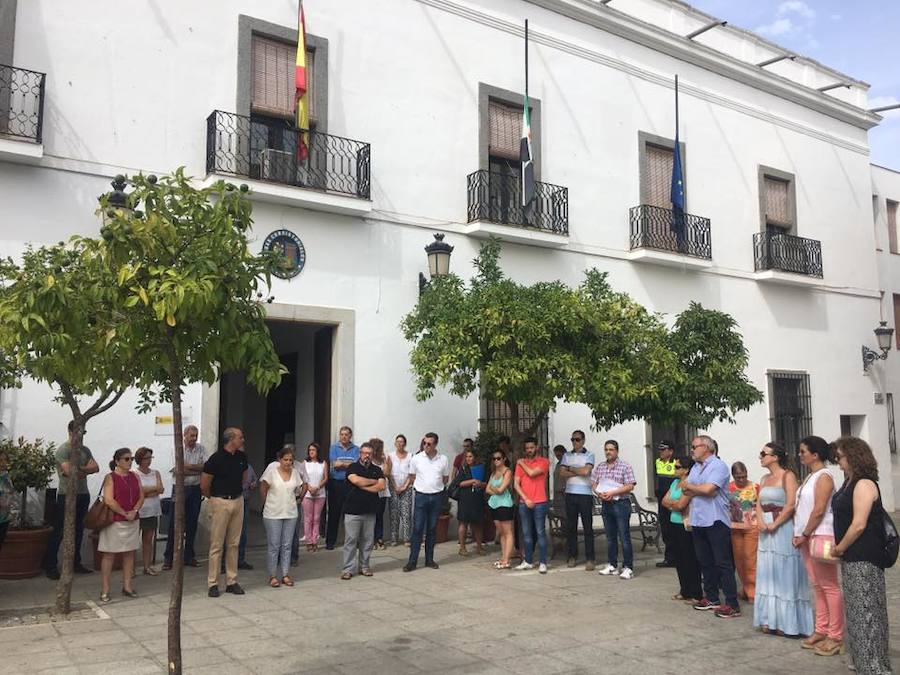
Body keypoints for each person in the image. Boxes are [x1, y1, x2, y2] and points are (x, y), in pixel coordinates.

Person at [832, 436, 891, 675]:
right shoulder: (850, 482)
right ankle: (863, 664)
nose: (838, 463)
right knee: (857, 616)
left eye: (840, 457)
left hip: (864, 558)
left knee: (867, 616)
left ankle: (874, 668)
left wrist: (839, 548)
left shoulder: (865, 484)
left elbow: (858, 524)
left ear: (853, 456)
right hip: (852, 559)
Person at [753, 442, 813, 637]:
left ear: (776, 456)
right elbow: (759, 503)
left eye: (764, 453)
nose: (761, 456)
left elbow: (790, 505)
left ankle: (788, 622)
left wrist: (775, 524)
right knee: (768, 572)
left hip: (782, 527)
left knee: (784, 572)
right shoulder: (764, 478)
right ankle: (770, 618)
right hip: (766, 529)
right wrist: (761, 521)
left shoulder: (788, 476)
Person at [793, 436, 843, 656]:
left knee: (829, 586)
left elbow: (819, 509)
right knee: (817, 585)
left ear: (815, 454)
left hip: (819, 534)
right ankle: (821, 629)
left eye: (803, 451)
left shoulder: (824, 476)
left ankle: (836, 635)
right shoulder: (810, 477)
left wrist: (805, 533)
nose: (800, 455)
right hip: (807, 536)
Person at [682, 435, 741, 618]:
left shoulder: (718, 466)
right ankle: (712, 597)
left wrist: (694, 487)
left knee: (722, 562)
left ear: (706, 448)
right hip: (698, 519)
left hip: (715, 519)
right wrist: (695, 487)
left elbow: (709, 490)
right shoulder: (696, 468)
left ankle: (732, 603)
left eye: (694, 446)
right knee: (705, 561)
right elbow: (684, 489)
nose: (692, 450)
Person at [44, 421, 99, 579]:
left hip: (83, 493)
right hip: (66, 494)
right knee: (60, 530)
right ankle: (51, 565)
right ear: (71, 431)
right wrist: (84, 470)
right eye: (79, 432)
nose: (81, 436)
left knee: (78, 530)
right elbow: (68, 472)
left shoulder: (85, 450)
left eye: (83, 432)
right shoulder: (64, 450)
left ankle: (76, 562)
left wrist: (79, 470)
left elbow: (96, 467)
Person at [202, 427, 249, 598]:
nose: (242, 440)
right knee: (216, 544)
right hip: (220, 501)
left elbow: (244, 477)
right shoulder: (216, 459)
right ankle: (213, 582)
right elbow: (205, 483)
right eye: (240, 437)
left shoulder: (242, 457)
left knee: (233, 543)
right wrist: (214, 499)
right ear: (231, 439)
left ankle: (231, 580)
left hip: (237, 500)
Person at [98, 448, 143, 603]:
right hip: (115, 520)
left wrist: (134, 510)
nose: (129, 461)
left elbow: (141, 495)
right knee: (109, 554)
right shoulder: (110, 478)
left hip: (132, 519)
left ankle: (127, 586)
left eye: (131, 458)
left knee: (130, 553)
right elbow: (109, 500)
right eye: (126, 459)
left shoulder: (135, 476)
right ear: (117, 461)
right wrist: (124, 513)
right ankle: (105, 589)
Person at [403, 432, 449, 572]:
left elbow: (445, 478)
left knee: (432, 528)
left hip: (436, 496)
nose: (426, 446)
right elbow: (412, 476)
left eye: (429, 444)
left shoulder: (443, 459)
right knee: (417, 528)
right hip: (421, 496)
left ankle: (429, 559)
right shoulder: (416, 458)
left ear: (435, 444)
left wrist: (435, 486)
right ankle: (412, 561)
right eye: (424, 443)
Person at [163, 425, 206, 571]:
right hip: (180, 489)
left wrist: (188, 467)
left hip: (195, 489)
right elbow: (176, 470)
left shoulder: (201, 449)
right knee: (175, 523)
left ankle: (189, 556)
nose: (194, 439)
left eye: (196, 436)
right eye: (191, 435)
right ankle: (169, 558)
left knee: (192, 523)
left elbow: (205, 467)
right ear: (184, 435)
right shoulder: (177, 448)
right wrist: (195, 469)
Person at [341, 441, 385, 580]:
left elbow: (381, 486)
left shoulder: (377, 469)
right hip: (352, 511)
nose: (367, 456)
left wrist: (363, 484)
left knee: (367, 541)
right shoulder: (352, 467)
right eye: (365, 453)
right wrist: (372, 481)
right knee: (351, 541)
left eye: (369, 454)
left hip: (370, 511)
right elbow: (355, 480)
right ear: (360, 454)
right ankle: (348, 569)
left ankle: (364, 566)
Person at [593, 440, 637, 579]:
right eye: (606, 449)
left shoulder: (625, 466)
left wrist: (613, 492)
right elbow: (594, 482)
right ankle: (612, 564)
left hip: (621, 504)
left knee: (624, 537)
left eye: (611, 449)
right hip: (607, 504)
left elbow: (630, 485)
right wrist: (599, 493)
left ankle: (628, 567)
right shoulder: (600, 467)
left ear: (617, 451)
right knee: (610, 537)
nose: (608, 452)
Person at [259, 445, 303, 588]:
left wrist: (298, 499)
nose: (288, 463)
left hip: (290, 513)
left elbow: (301, 487)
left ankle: (285, 574)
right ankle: (272, 575)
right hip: (273, 513)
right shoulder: (272, 472)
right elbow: (263, 488)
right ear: (279, 459)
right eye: (285, 460)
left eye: (290, 460)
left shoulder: (295, 473)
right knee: (274, 545)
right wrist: (266, 504)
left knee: (287, 545)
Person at [662, 456, 702, 603]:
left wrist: (673, 504)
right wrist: (674, 503)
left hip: (685, 525)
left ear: (686, 470)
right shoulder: (674, 483)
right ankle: (684, 590)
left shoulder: (689, 484)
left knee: (689, 558)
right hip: (673, 522)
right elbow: (664, 501)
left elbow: (681, 505)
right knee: (679, 558)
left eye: (678, 467)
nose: (674, 469)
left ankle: (696, 593)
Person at [559, 430, 595, 570]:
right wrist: (579, 470)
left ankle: (590, 558)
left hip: (585, 494)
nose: (575, 442)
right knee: (571, 527)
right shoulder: (567, 455)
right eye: (573, 439)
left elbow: (587, 472)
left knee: (587, 528)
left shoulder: (589, 454)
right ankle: (572, 556)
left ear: (583, 440)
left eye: (578, 439)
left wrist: (571, 469)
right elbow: (562, 473)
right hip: (570, 494)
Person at [514, 437, 550, 573]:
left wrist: (521, 463)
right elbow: (516, 484)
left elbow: (532, 473)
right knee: (526, 533)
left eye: (531, 447)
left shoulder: (544, 462)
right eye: (527, 448)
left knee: (540, 532)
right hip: (525, 503)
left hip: (540, 502)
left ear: (537, 447)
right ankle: (528, 561)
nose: (529, 450)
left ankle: (542, 562)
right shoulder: (520, 464)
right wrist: (525, 499)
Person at [728, 461, 759, 602]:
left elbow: (761, 506)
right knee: (739, 560)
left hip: (752, 527)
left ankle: (753, 590)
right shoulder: (728, 488)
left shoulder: (755, 487)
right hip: (734, 528)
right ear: (733, 476)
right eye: (738, 477)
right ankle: (746, 588)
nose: (741, 479)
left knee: (750, 559)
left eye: (743, 476)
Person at [326, 426, 360, 550]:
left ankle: (352, 542)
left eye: (346, 434)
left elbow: (356, 465)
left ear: (350, 436)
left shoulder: (356, 449)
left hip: (350, 484)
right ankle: (330, 542)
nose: (344, 436)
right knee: (334, 513)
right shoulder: (334, 448)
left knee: (351, 514)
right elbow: (335, 464)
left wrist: (343, 464)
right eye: (342, 434)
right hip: (336, 484)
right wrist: (348, 464)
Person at [135, 447, 163, 576]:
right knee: (134, 540)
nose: (148, 461)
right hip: (139, 510)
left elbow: (160, 489)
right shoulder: (135, 473)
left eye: (150, 458)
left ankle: (147, 566)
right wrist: (151, 490)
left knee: (148, 540)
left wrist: (147, 491)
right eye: (146, 458)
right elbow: (138, 491)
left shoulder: (155, 473)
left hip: (152, 509)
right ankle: (131, 568)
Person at [453, 447, 486, 557]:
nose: (468, 459)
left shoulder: (481, 468)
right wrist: (472, 481)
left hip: (477, 498)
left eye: (470, 456)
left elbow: (487, 483)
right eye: (466, 457)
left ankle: (479, 546)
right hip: (465, 499)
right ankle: (462, 547)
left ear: (475, 457)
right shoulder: (463, 469)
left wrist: (480, 484)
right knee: (463, 523)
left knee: (478, 524)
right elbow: (459, 483)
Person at [486, 449, 514, 569]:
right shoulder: (493, 473)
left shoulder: (507, 472)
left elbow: (501, 490)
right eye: (494, 458)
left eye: (498, 458)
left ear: (504, 459)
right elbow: (487, 489)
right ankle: (503, 557)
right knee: (501, 533)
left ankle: (507, 559)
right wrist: (493, 489)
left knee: (508, 532)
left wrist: (493, 488)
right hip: (494, 504)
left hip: (504, 504)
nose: (496, 461)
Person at [300, 442, 327, 553]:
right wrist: (310, 487)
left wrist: (318, 487)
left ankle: (315, 540)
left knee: (316, 518)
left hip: (320, 493)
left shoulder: (323, 463)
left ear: (318, 452)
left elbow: (326, 477)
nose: (311, 452)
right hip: (307, 493)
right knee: (308, 518)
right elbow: (301, 477)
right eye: (310, 450)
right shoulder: (304, 463)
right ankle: (308, 541)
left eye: (314, 450)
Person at [654, 440, 677, 568]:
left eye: (664, 450)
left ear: (671, 451)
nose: (661, 452)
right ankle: (669, 558)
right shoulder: (657, 462)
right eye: (660, 450)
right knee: (666, 530)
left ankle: (676, 557)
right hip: (661, 500)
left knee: (674, 529)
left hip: (672, 500)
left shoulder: (675, 463)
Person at [388, 434, 413, 546]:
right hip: (393, 487)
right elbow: (388, 473)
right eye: (397, 441)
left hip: (406, 488)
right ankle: (394, 538)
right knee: (394, 513)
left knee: (406, 513)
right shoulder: (390, 456)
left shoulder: (410, 456)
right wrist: (395, 486)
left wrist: (404, 487)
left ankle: (406, 538)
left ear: (405, 443)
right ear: (395, 443)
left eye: (402, 441)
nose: (399, 443)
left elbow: (412, 474)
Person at [236, 453, 257, 571]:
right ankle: (225, 562)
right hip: (234, 500)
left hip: (245, 501)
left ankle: (241, 559)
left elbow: (255, 480)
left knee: (243, 532)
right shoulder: (232, 466)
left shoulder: (249, 467)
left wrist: (254, 484)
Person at [370, 438, 391, 550]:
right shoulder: (369, 460)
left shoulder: (384, 459)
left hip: (382, 491)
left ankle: (379, 537)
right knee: (371, 515)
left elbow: (387, 473)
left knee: (379, 516)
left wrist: (385, 461)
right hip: (372, 490)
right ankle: (371, 539)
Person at [0, 449, 13, 553]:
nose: (3, 463)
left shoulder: (6, 476)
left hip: (4, 518)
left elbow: (10, 493)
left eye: (5, 460)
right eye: (0, 460)